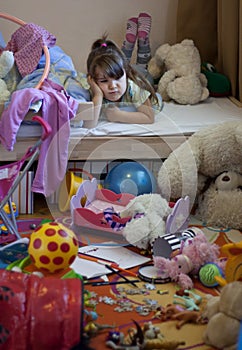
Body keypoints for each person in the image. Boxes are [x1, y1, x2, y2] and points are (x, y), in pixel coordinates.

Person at [83, 29, 162, 128]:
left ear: (125, 73)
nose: (113, 86)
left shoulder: (133, 87)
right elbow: (89, 125)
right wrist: (98, 95)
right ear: (93, 81)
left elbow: (149, 117)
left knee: (148, 80)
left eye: (118, 78)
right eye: (104, 81)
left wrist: (119, 116)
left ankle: (142, 45)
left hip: (142, 76)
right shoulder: (93, 91)